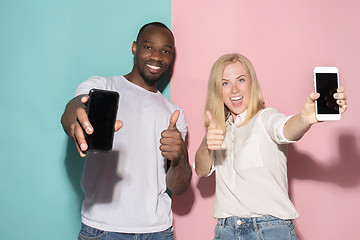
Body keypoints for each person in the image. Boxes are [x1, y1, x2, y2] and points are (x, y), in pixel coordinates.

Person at [61, 22, 192, 240]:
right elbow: (74, 108)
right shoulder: (102, 86)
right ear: (134, 47)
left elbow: (178, 186)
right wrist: (75, 117)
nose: (157, 57)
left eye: (166, 51)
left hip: (157, 231)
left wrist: (179, 157)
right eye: (149, 47)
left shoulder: (174, 113)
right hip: (102, 230)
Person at [194, 53, 347, 240]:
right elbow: (202, 170)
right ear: (217, 90)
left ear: (252, 84)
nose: (234, 89)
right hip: (226, 229)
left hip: (270, 230)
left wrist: (304, 119)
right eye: (225, 83)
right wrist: (207, 143)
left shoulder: (265, 118)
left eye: (241, 80)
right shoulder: (218, 130)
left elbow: (286, 129)